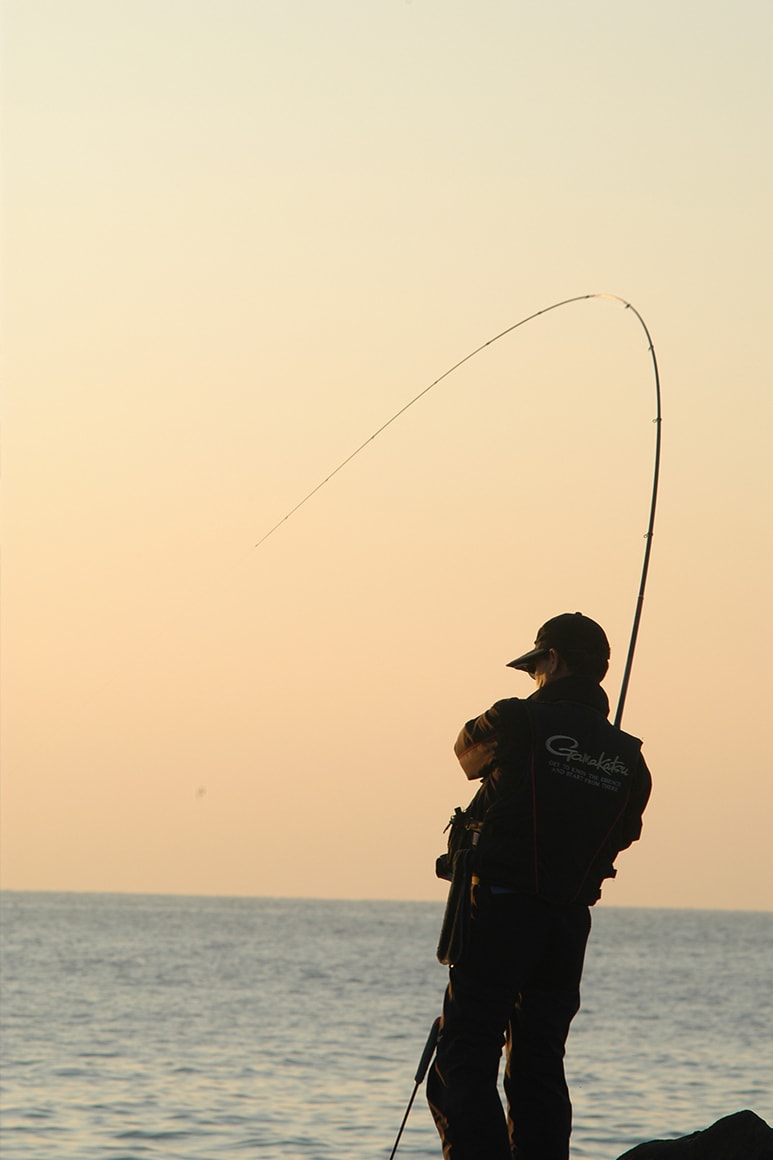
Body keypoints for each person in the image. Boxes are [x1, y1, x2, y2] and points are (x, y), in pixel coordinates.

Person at [427, 612, 652, 1160]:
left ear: (551, 660)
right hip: (568, 926)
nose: (533, 678)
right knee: (538, 1064)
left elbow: (465, 753)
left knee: (463, 1056)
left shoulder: (515, 719)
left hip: (501, 913)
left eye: (536, 667)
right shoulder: (631, 760)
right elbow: (623, 836)